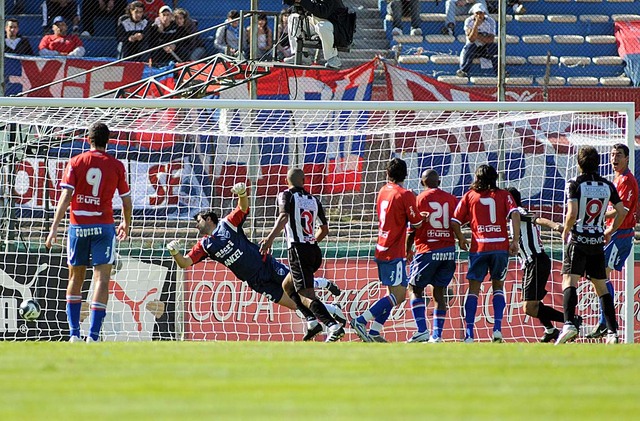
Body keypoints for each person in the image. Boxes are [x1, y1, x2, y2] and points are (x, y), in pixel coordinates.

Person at [166, 182, 344, 341]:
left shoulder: (227, 224)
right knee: (294, 304)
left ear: (209, 219)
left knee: (298, 288)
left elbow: (242, 208)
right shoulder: (204, 245)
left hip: (266, 264)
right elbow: (185, 263)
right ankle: (332, 310)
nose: (196, 225)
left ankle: (322, 284)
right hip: (255, 280)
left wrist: (242, 194)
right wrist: (175, 252)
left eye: (198, 221)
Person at [45, 122, 132, 343]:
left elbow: (65, 197)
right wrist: (126, 223)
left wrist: (54, 227)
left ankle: (74, 334)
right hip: (104, 227)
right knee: (101, 280)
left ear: (88, 139)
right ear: (108, 141)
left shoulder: (76, 162)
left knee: (76, 277)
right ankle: (93, 335)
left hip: (78, 227)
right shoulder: (116, 165)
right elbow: (126, 200)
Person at [260, 169, 345, 342]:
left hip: (298, 250)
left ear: (286, 181)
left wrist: (269, 239)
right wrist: (311, 242)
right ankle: (312, 323)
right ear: (304, 181)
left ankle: (333, 326)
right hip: (313, 251)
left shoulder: (286, 195)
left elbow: (284, 217)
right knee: (288, 286)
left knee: (306, 295)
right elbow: (324, 229)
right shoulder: (314, 200)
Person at [556, 147, 628, 345]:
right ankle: (613, 333)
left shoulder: (575, 183)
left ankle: (569, 324)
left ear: (579, 164)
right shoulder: (607, 185)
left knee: (569, 281)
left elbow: (572, 214)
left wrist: (565, 231)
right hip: (597, 242)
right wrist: (609, 231)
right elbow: (621, 211)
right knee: (601, 287)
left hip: (578, 241)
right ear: (598, 163)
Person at [350, 158, 423, 342]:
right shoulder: (405, 195)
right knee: (399, 295)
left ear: (387, 174)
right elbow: (417, 223)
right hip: (394, 250)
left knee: (392, 293)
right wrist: (422, 214)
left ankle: (375, 331)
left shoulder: (383, 190)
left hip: (381, 247)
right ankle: (361, 320)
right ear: (406, 175)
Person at [451, 164, 520, 343]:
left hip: (479, 248)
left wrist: (461, 238)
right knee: (498, 287)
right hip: (499, 248)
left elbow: (454, 220)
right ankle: (497, 329)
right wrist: (515, 240)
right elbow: (515, 214)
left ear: (477, 178)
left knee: (473, 290)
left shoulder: (470, 196)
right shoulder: (505, 195)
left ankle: (469, 334)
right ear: (495, 178)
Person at [506, 187, 576, 343]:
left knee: (529, 307)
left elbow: (537, 219)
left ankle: (571, 320)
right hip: (531, 263)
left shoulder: (518, 212)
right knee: (533, 304)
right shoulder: (512, 218)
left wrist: (557, 227)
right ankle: (550, 329)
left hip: (536, 261)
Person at [406, 169, 465, 343]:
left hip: (427, 250)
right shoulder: (451, 199)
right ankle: (437, 336)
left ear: (422, 183)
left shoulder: (419, 199)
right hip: (447, 251)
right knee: (439, 293)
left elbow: (412, 229)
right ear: (439, 182)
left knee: (414, 288)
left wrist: (407, 249)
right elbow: (460, 220)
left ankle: (422, 330)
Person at [586, 144, 638, 339]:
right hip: (615, 233)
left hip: (620, 234)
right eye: (612, 154)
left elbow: (621, 211)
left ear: (627, 158)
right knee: (598, 275)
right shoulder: (617, 179)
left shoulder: (626, 180)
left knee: (599, 274)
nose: (614, 158)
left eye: (618, 155)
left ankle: (606, 322)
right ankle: (606, 322)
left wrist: (607, 226)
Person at [285, 0, 344, 69]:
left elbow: (323, 12)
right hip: (315, 23)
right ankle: (302, 55)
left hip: (334, 25)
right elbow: (289, 4)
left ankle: (333, 58)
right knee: (293, 18)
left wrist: (303, 1)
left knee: (322, 26)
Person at [456, 3, 497, 78]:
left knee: (494, 47)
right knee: (470, 47)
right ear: (473, 14)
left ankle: (499, 72)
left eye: (480, 13)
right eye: (477, 13)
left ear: (484, 13)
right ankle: (464, 71)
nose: (479, 16)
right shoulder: (468, 21)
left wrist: (476, 35)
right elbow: (471, 39)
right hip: (473, 48)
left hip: (485, 48)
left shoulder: (491, 21)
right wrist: (476, 25)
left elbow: (491, 39)